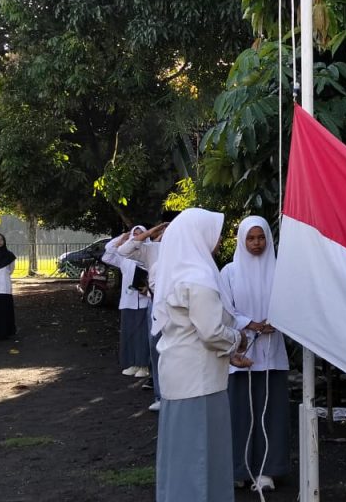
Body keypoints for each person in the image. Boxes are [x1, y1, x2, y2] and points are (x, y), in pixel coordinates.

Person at [153, 208, 252, 502]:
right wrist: (238, 340)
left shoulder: (178, 273)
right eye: (215, 233)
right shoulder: (198, 278)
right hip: (199, 382)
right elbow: (211, 332)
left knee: (183, 455)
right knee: (199, 456)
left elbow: (195, 330)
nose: (219, 241)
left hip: (180, 373)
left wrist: (228, 351)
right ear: (197, 235)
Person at [218, 216, 290, 492]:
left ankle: (267, 470)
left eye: (260, 238)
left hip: (273, 353)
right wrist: (250, 323)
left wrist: (278, 320)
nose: (256, 243)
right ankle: (239, 468)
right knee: (240, 414)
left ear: (268, 239)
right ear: (242, 240)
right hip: (242, 352)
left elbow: (291, 303)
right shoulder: (230, 272)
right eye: (250, 238)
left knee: (271, 413)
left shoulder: (280, 271)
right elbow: (225, 308)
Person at [117, 219, 170, 411]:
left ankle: (174, 395)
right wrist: (149, 233)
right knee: (156, 349)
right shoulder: (152, 249)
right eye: (166, 230)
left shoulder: (186, 251)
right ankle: (160, 396)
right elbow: (123, 250)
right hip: (156, 306)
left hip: (181, 306)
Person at [102, 226, 152, 378]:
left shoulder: (149, 255)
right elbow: (107, 255)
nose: (136, 237)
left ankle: (144, 365)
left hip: (144, 301)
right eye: (134, 234)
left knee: (143, 335)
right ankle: (133, 363)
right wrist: (122, 238)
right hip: (127, 301)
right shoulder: (124, 258)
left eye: (140, 234)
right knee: (129, 334)